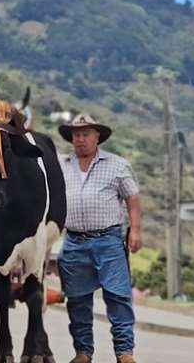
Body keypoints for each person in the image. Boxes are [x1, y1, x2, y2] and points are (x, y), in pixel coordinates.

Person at [56, 114, 143, 363]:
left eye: (85, 134)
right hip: (73, 241)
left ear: (97, 137)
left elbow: (133, 198)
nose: (80, 139)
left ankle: (124, 353)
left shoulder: (117, 165)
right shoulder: (62, 165)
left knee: (118, 296)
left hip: (108, 240)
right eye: (76, 135)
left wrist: (135, 229)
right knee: (77, 300)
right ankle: (83, 352)